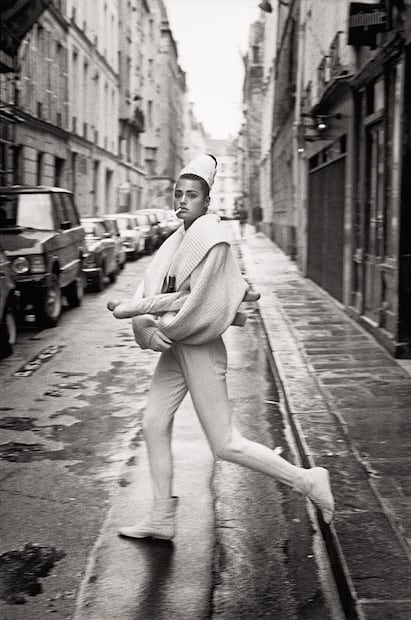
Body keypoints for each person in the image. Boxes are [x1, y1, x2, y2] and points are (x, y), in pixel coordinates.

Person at [108, 154, 334, 541]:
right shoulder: (172, 241)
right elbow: (153, 289)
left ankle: (308, 479)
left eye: (191, 195)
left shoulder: (214, 241)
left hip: (199, 346)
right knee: (153, 424)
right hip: (175, 348)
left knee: (225, 443)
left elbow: (195, 302)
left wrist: (138, 313)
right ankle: (162, 517)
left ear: (207, 201)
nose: (182, 201)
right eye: (178, 194)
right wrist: (143, 326)